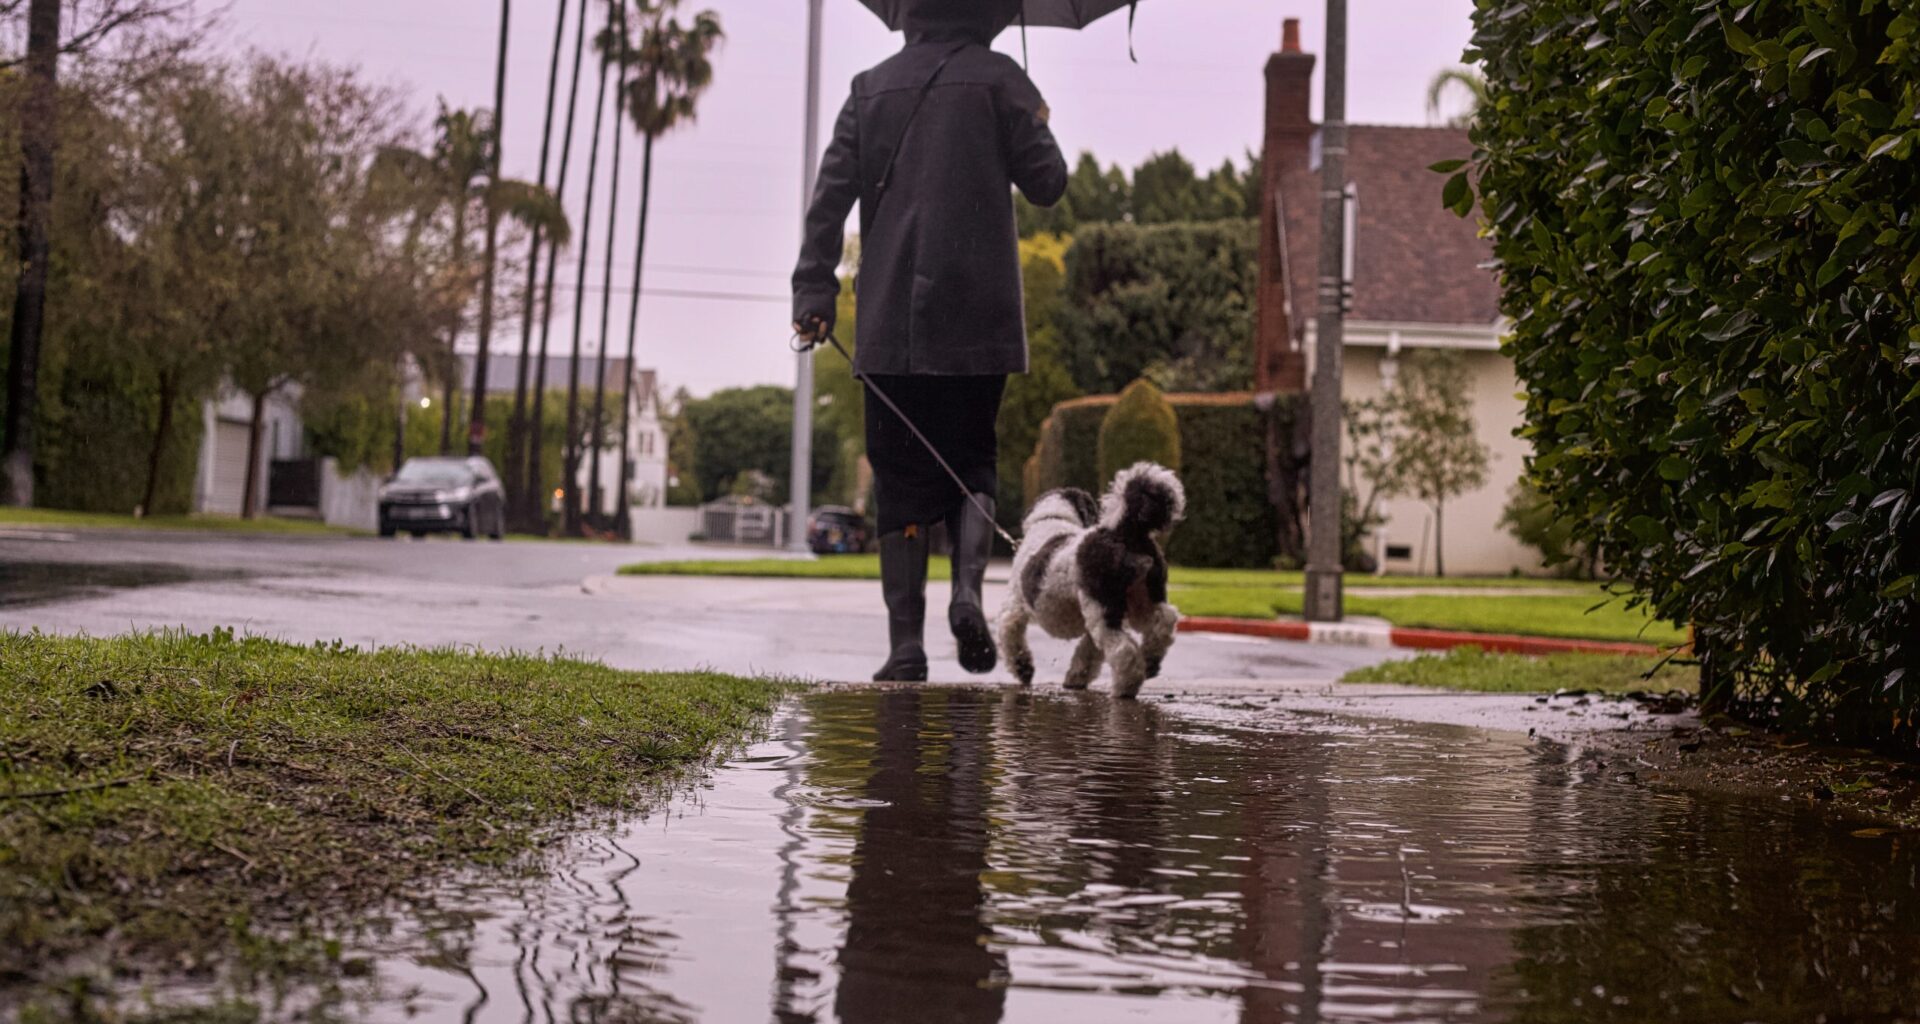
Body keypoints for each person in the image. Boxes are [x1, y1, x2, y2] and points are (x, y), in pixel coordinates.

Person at [792, 0, 1068, 682]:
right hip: (979, 316)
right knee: (972, 461)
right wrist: (1034, 111)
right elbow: (1049, 184)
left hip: (891, 318)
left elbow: (829, 202)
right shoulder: (1002, 80)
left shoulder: (869, 89)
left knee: (899, 476)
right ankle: (967, 594)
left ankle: (905, 646)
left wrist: (814, 294)